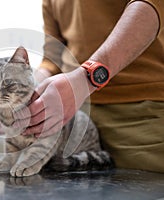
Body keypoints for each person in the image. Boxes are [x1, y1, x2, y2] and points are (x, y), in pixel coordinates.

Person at [13, 0, 164, 173]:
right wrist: (23, 92)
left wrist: (85, 78)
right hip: (71, 117)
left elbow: (153, 4)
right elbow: (52, 59)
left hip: (140, 111)